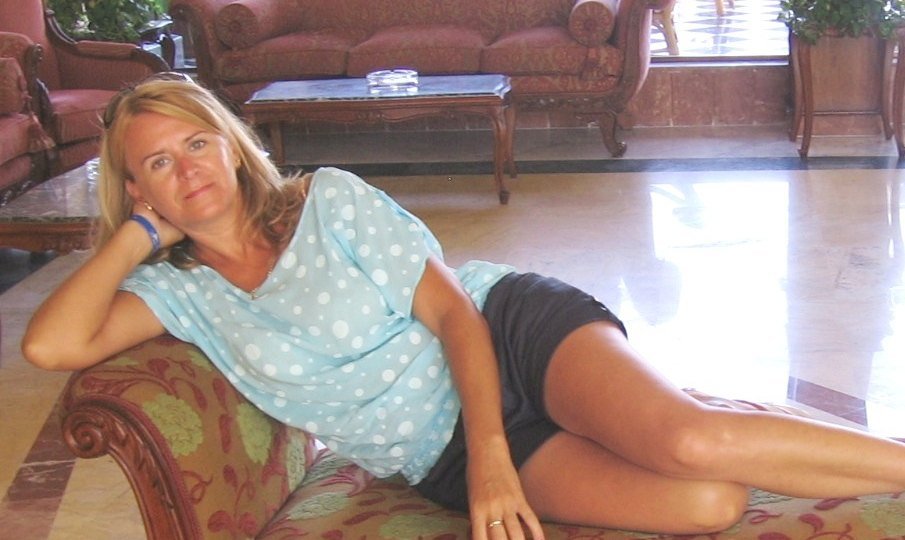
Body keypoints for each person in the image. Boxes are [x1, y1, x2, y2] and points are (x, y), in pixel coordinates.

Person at [22, 74, 905, 540]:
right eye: (160, 165)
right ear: (136, 189)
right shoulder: (181, 296)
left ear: (231, 144)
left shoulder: (326, 199)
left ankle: (695, 418)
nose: (189, 169)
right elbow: (51, 347)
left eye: (197, 142)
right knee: (705, 503)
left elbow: (454, 316)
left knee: (689, 443)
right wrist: (137, 237)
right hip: (434, 455)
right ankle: (672, 413)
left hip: (508, 338)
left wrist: (493, 459)